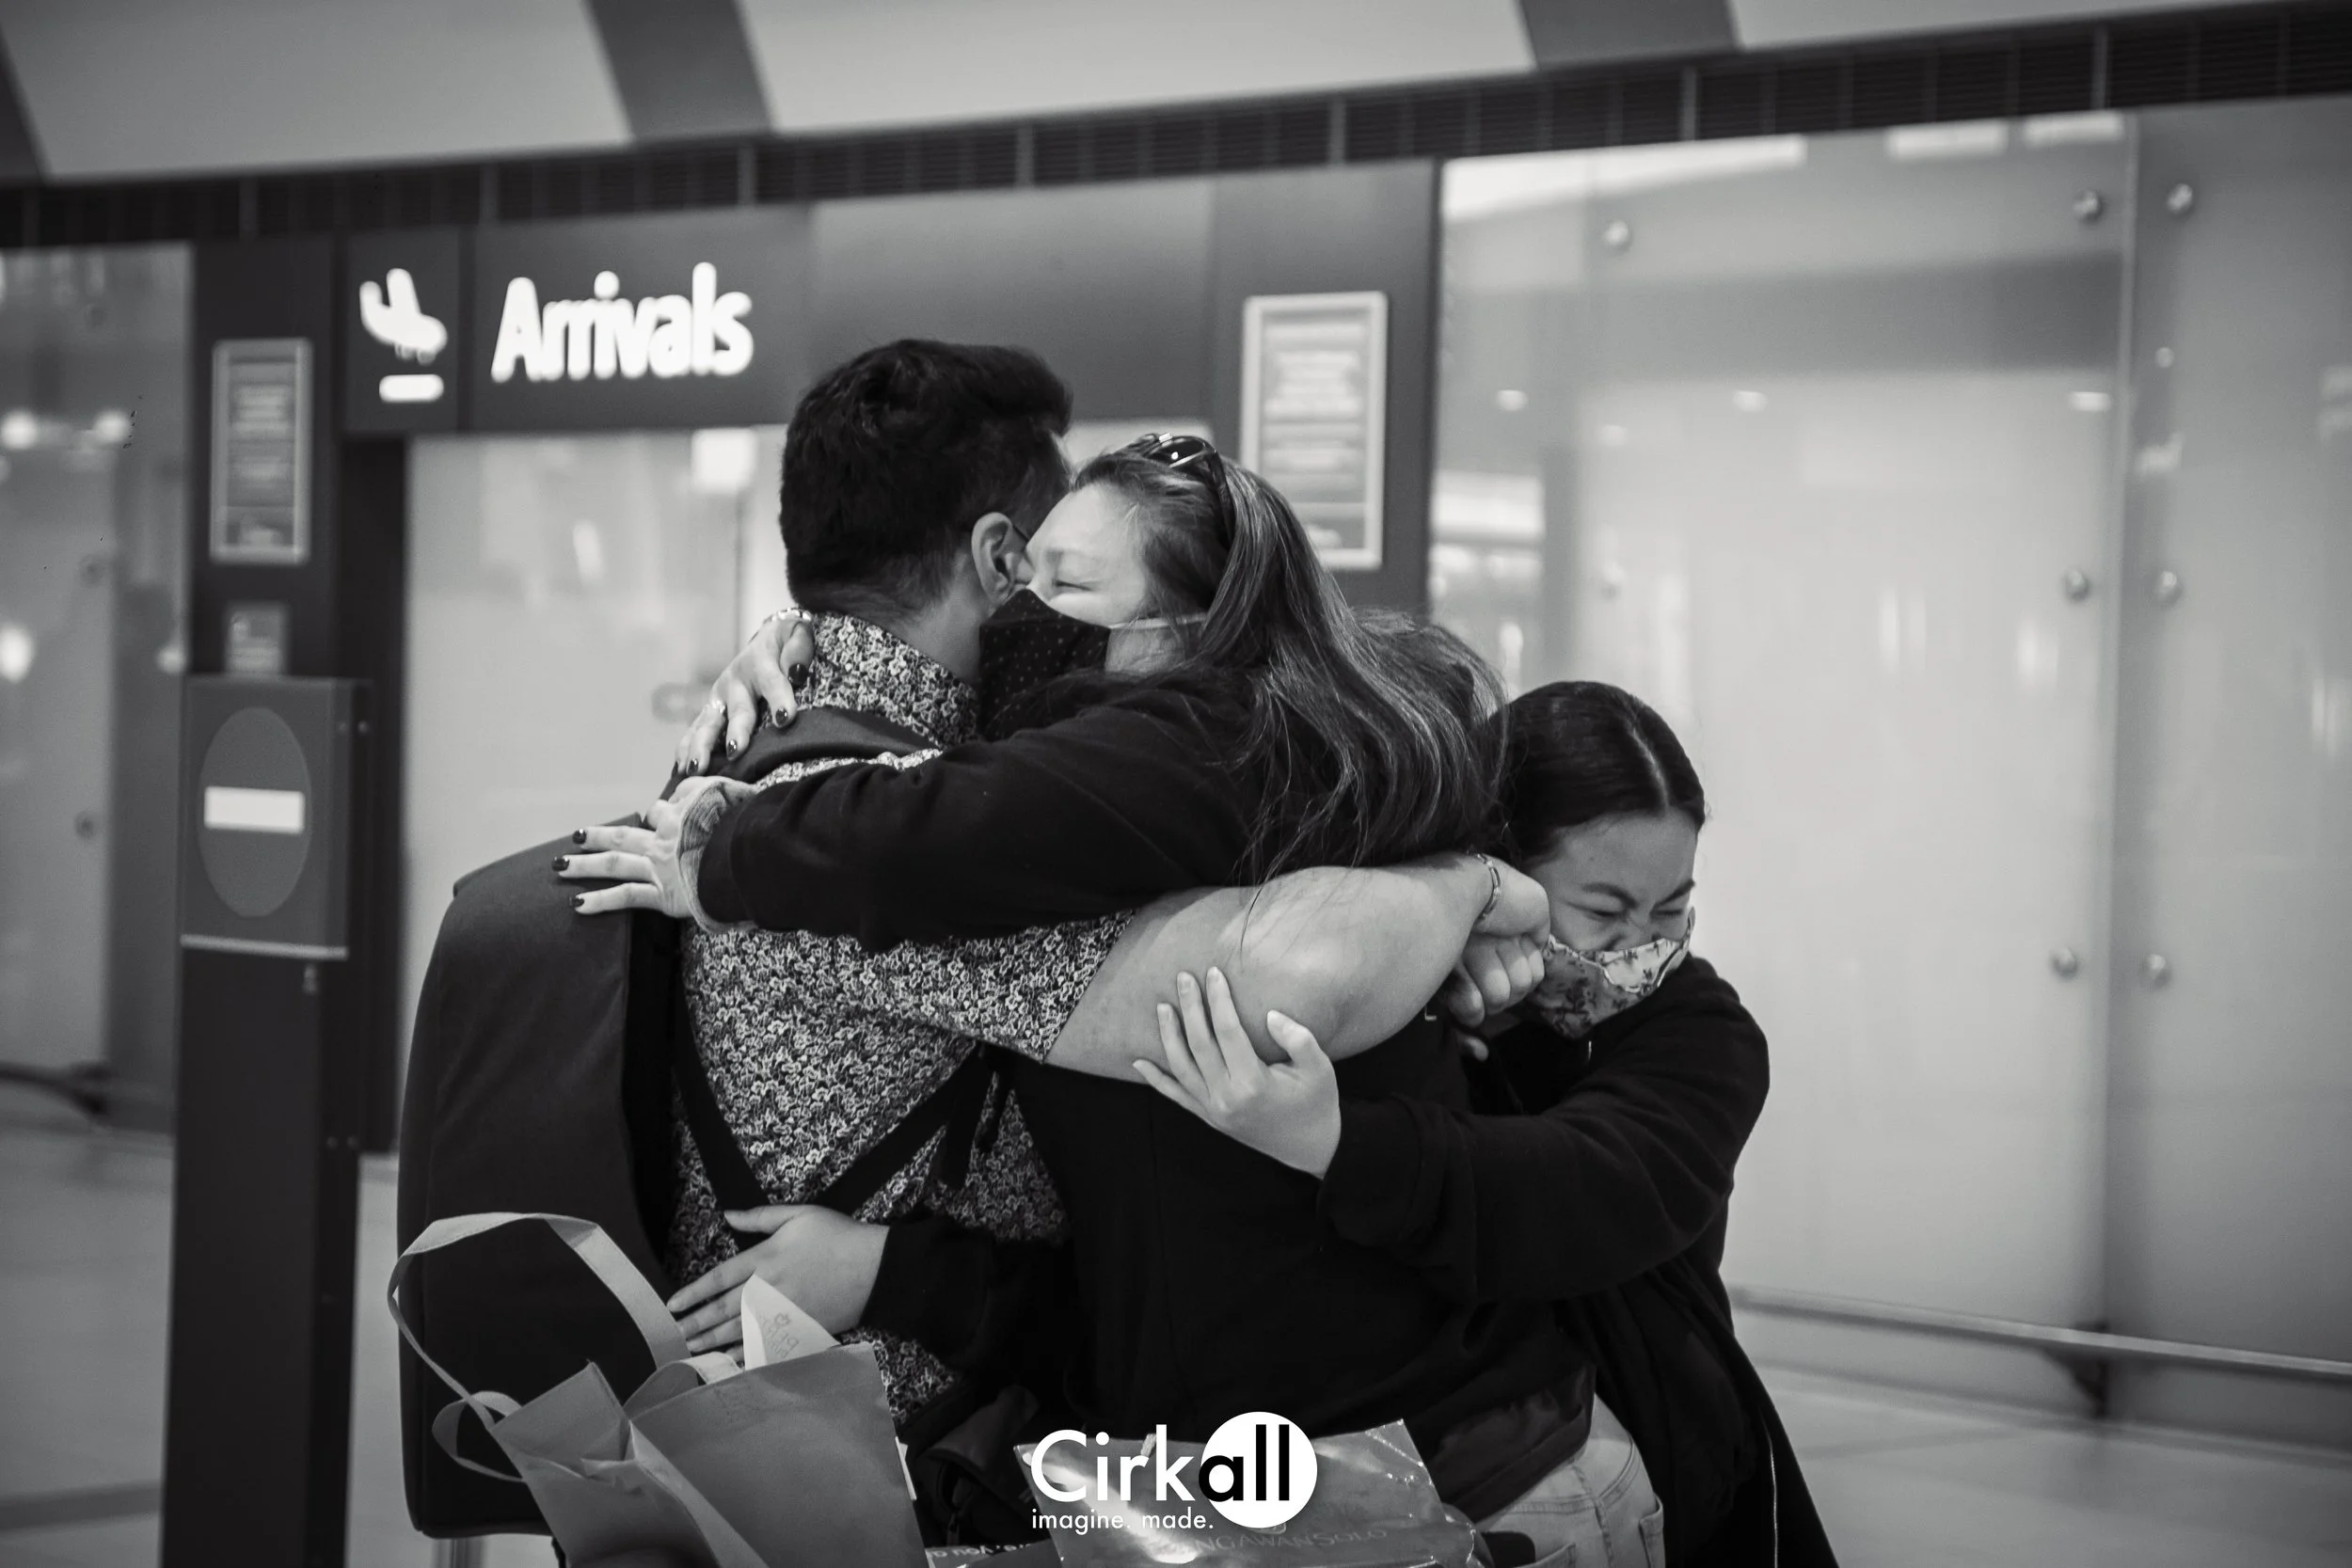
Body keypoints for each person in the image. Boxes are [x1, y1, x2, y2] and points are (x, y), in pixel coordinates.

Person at [578, 436, 1685, 1562]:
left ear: (1182, 624)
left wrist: (729, 845)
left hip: (1458, 1493)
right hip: (1248, 1497)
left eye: (1066, 580)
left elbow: (952, 829)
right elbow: (1135, 1265)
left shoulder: (1214, 746)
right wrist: (800, 655)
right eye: (1018, 570)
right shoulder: (1169, 822)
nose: (1019, 601)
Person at [1144, 681, 1837, 1567]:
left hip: (1642, 1450)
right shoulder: (1403, 993)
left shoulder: (1703, 1029)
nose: (1641, 947)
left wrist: (1343, 1145)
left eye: (1671, 909)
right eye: (1605, 908)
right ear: (1498, 871)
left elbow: (1582, 1187)